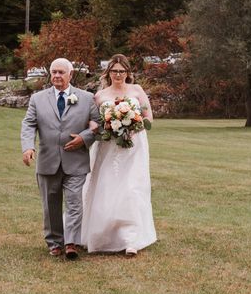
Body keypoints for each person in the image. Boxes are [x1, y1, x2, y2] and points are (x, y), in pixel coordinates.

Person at [21, 58, 99, 259]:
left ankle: (71, 242)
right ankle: (55, 242)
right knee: (51, 204)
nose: (56, 76)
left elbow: (98, 125)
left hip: (76, 161)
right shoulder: (37, 99)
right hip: (47, 161)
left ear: (70, 75)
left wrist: (84, 138)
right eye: (53, 72)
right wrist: (28, 146)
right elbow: (29, 124)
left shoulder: (86, 98)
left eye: (61, 72)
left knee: (74, 202)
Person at [81, 54, 157, 256]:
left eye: (122, 71)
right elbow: (93, 122)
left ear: (127, 73)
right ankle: (103, 236)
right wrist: (103, 127)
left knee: (132, 189)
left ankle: (131, 239)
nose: (118, 75)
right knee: (107, 188)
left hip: (134, 147)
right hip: (108, 147)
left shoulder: (137, 90)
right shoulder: (99, 96)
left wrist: (133, 126)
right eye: (114, 71)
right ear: (108, 73)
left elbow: (149, 116)